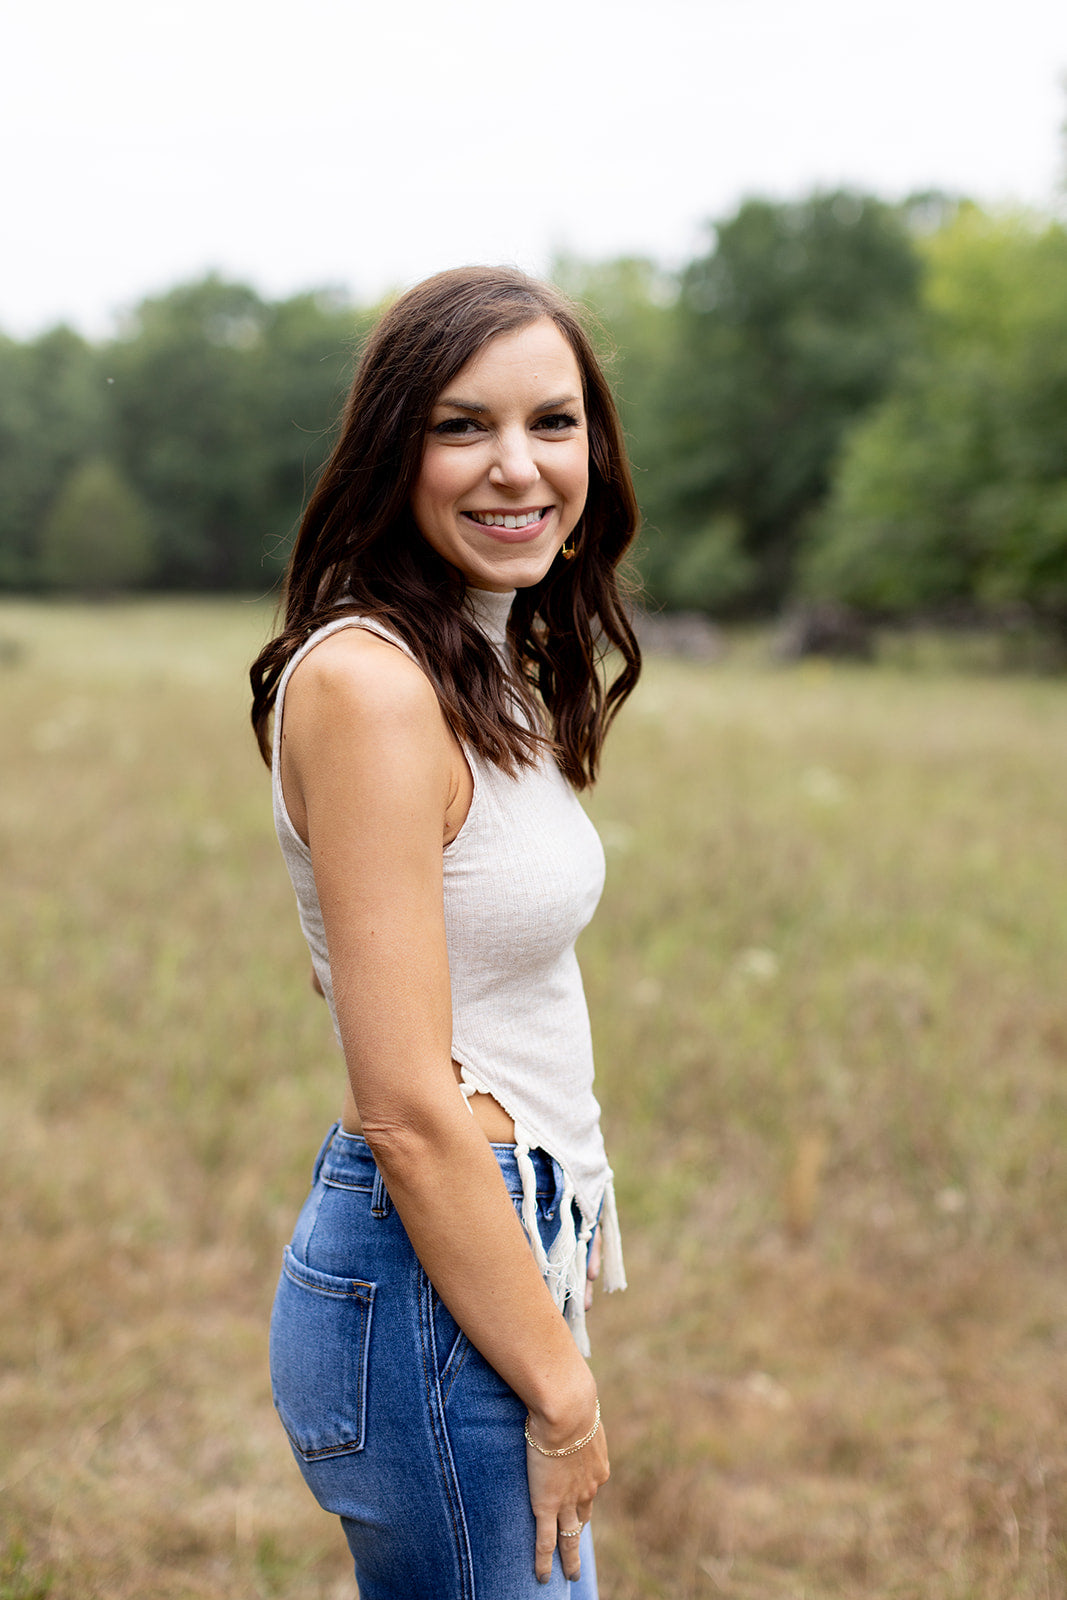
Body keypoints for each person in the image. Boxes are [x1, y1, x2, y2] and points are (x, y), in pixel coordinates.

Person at [249, 265, 641, 1598]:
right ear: (391, 451)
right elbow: (406, 1103)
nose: (518, 467)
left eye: (555, 421)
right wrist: (561, 1390)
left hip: (482, 1254)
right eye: (462, 426)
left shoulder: (479, 660)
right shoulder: (370, 686)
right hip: (432, 1279)